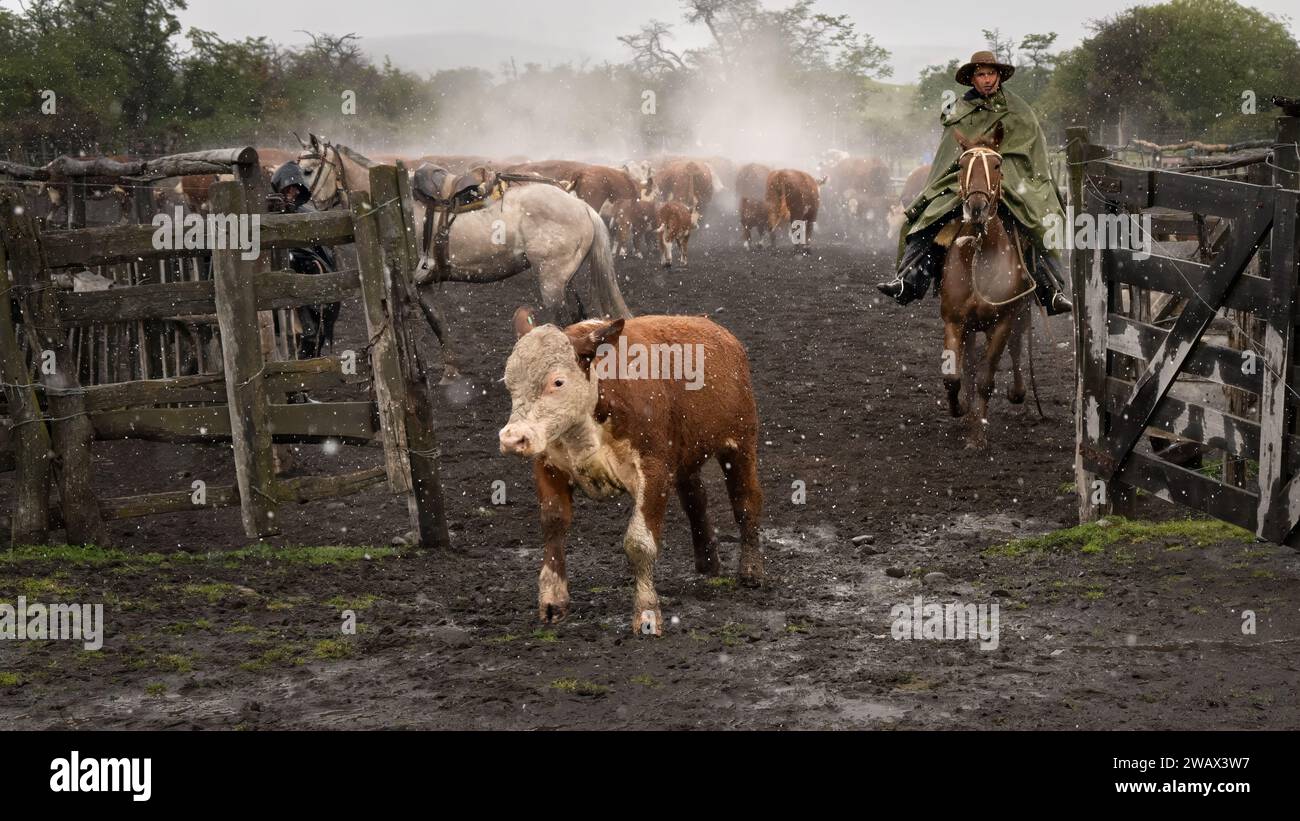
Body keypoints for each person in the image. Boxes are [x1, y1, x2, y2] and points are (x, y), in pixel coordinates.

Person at [878, 50, 1072, 314]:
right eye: (981, 74)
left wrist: (1005, 176)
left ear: (999, 76)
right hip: (962, 181)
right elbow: (948, 155)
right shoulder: (957, 110)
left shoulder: (1019, 111)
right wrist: (968, 175)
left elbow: (1030, 154)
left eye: (991, 73)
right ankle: (908, 279)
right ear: (972, 79)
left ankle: (1052, 290)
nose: (987, 79)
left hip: (1011, 179)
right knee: (926, 217)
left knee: (1038, 219)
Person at [270, 162, 341, 359]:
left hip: (304, 276)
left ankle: (312, 331)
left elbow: (322, 250)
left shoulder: (307, 214)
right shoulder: (265, 212)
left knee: (313, 328)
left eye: (295, 189)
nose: (292, 193)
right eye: (288, 188)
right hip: (279, 277)